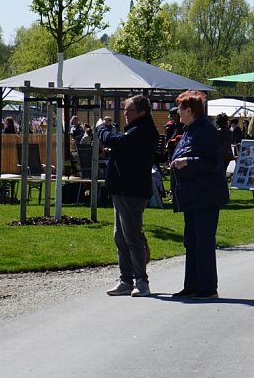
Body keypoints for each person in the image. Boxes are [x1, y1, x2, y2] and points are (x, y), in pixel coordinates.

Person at [97, 94, 159, 297]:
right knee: (120, 236)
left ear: (141, 112)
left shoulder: (143, 130)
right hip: (122, 190)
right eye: (124, 110)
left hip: (132, 191)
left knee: (132, 235)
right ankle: (126, 280)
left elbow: (116, 141)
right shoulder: (136, 129)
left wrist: (101, 129)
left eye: (129, 110)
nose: (125, 114)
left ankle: (141, 281)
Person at [169, 90, 230, 299]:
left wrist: (187, 162)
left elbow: (213, 162)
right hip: (192, 195)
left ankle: (207, 288)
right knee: (191, 241)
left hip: (205, 195)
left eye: (180, 107)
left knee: (203, 241)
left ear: (190, 110)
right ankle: (192, 285)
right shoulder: (189, 129)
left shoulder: (206, 130)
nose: (178, 112)